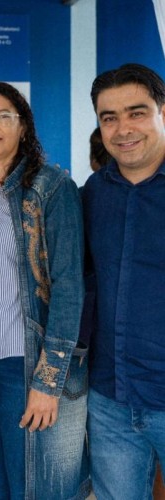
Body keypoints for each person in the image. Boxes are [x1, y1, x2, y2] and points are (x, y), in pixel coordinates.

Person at [0, 81, 89, 499]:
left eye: (3, 116)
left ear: (23, 126)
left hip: (21, 365)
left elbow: (69, 285)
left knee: (30, 487)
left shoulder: (52, 188)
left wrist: (49, 380)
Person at [83, 63, 165, 500]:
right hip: (110, 400)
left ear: (162, 112)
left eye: (137, 112)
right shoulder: (92, 195)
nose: (123, 129)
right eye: (109, 117)